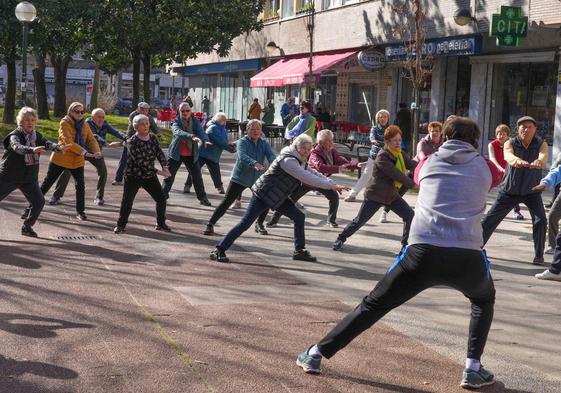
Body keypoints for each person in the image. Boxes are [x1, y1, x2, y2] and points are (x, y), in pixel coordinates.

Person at [297, 117, 499, 390]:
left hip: (422, 251)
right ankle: (472, 368)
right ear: (475, 141)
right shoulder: (484, 165)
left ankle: (316, 353)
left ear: (445, 138)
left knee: (373, 305)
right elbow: (497, 177)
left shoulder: (429, 161)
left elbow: (417, 178)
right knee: (483, 299)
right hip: (467, 254)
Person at [209, 134, 349, 263]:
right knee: (245, 223)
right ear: (296, 147)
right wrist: (330, 187)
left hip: (278, 196)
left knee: (299, 217)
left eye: (309, 149)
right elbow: (306, 177)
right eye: (304, 149)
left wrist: (332, 184)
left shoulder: (299, 159)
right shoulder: (288, 160)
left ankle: (299, 251)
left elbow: (313, 172)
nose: (307, 152)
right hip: (263, 194)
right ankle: (219, 249)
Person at [332, 126, 417, 251]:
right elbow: (395, 174)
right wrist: (413, 185)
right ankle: (341, 238)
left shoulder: (400, 154)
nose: (398, 143)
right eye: (395, 140)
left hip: (391, 195)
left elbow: (413, 164)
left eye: (399, 140)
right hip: (375, 195)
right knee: (359, 221)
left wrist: (427, 165)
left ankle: (405, 246)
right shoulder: (382, 156)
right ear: (387, 141)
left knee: (409, 215)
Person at [481, 116, 548, 265]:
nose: (526, 129)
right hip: (509, 190)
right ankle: (474, 248)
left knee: (541, 220)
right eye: (523, 127)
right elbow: (508, 156)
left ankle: (539, 255)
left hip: (532, 192)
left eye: (530, 127)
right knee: (489, 220)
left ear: (535, 129)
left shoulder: (541, 144)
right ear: (517, 129)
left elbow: (543, 157)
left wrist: (539, 161)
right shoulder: (510, 143)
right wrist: (517, 161)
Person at [266, 129, 358, 229]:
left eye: (332, 140)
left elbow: (340, 161)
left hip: (321, 181)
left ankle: (331, 221)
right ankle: (273, 220)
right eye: (329, 141)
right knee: (290, 201)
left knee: (334, 197)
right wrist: (338, 170)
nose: (332, 143)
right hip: (307, 182)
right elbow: (320, 167)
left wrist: (356, 165)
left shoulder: (332, 151)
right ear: (321, 142)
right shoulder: (315, 152)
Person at [1, 107, 69, 237]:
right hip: (8, 176)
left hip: (28, 178)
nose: (30, 123)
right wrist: (32, 150)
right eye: (26, 120)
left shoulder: (36, 135)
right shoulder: (15, 135)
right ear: (20, 122)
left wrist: (58, 148)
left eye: (32, 120)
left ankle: (27, 227)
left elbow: (47, 143)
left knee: (39, 202)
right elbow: (17, 147)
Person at [203, 119, 276, 236]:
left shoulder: (264, 143)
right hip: (240, 178)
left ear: (261, 131)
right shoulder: (242, 142)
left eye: (257, 129)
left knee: (265, 199)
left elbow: (271, 155)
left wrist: (273, 161)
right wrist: (254, 163)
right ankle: (210, 224)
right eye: (252, 129)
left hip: (257, 178)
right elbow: (242, 156)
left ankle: (259, 224)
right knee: (227, 202)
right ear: (247, 130)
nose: (255, 131)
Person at [33, 102, 101, 221]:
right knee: (46, 184)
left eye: (82, 111)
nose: (80, 114)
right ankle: (31, 208)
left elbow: (91, 139)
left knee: (80, 186)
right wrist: (85, 152)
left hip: (77, 161)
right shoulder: (64, 123)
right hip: (61, 159)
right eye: (77, 111)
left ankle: (81, 212)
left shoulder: (84, 124)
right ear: (70, 112)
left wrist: (97, 151)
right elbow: (68, 142)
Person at [48, 108, 126, 206]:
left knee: (103, 171)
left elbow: (116, 132)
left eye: (103, 117)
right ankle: (56, 196)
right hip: (80, 151)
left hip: (95, 153)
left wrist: (127, 138)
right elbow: (94, 137)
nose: (101, 119)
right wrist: (106, 144)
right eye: (98, 117)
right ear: (93, 117)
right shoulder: (86, 123)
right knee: (66, 171)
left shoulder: (105, 124)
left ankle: (99, 197)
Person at [114, 114, 171, 233]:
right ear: (136, 126)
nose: (145, 126)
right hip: (133, 176)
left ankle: (161, 223)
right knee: (127, 201)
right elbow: (141, 162)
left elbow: (159, 152)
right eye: (142, 124)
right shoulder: (132, 141)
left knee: (161, 198)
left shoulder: (153, 137)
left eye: (147, 123)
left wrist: (164, 166)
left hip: (149, 176)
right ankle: (121, 225)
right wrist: (159, 172)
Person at [162, 102, 212, 206]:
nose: (185, 112)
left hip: (191, 154)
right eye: (182, 111)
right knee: (169, 176)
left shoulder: (195, 121)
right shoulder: (176, 121)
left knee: (197, 177)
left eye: (187, 110)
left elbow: (201, 131)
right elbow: (178, 132)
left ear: (191, 111)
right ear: (179, 112)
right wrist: (191, 136)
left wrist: (205, 140)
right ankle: (162, 196)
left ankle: (203, 198)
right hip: (176, 153)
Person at [344, 109, 390, 203]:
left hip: (386, 157)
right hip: (374, 156)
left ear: (388, 118)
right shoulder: (375, 128)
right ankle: (353, 195)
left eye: (385, 117)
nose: (383, 119)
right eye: (381, 117)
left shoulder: (390, 129)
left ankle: (384, 198)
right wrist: (373, 140)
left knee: (385, 178)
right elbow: (372, 136)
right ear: (378, 118)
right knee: (366, 175)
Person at [185, 112, 235, 195]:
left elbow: (224, 141)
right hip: (203, 153)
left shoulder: (222, 128)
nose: (225, 122)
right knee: (195, 170)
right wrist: (231, 149)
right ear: (219, 120)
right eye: (224, 120)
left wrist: (230, 145)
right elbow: (221, 142)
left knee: (215, 172)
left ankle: (219, 187)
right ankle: (187, 185)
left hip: (213, 154)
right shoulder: (213, 128)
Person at [113, 102, 160, 185]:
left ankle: (143, 180)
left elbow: (153, 126)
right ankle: (118, 179)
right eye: (143, 110)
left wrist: (158, 133)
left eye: (146, 110)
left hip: (144, 141)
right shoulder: (133, 115)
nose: (145, 111)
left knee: (144, 161)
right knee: (124, 159)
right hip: (131, 139)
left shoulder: (148, 117)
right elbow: (133, 128)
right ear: (138, 109)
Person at [487, 124, 524, 220]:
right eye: (498, 134)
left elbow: (514, 157)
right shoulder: (491, 144)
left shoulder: (512, 144)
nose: (500, 136)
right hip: (494, 170)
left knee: (512, 190)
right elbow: (492, 158)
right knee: (486, 188)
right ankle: (481, 207)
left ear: (508, 135)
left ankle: (516, 211)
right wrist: (499, 168)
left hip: (507, 171)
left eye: (503, 134)